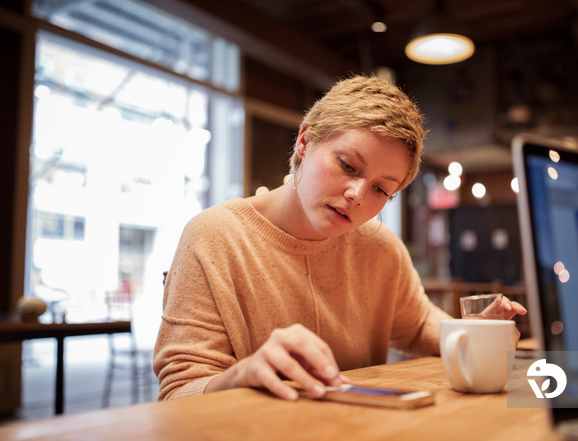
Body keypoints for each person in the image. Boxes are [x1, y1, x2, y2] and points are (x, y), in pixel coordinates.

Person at [153, 75, 526, 402]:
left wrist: (472, 332)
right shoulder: (215, 237)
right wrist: (241, 376)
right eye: (347, 165)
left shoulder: (380, 248)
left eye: (381, 190)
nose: (358, 195)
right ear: (305, 140)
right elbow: (178, 393)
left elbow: (417, 326)